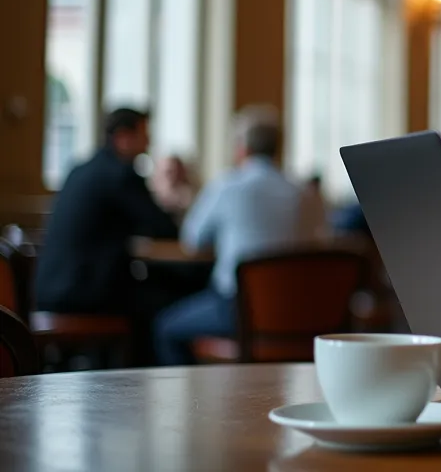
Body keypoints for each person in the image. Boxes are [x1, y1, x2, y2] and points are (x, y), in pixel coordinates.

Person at [154, 107, 309, 365]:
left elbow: (192, 239)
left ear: (241, 148)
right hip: (298, 312)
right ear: (278, 147)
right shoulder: (303, 194)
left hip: (237, 309)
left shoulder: (228, 186)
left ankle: (186, 403)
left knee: (165, 328)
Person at [34, 108, 179, 314]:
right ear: (123, 137)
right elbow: (163, 228)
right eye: (145, 135)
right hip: (84, 293)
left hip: (49, 290)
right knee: (168, 303)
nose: (148, 144)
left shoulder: (80, 169)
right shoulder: (121, 175)